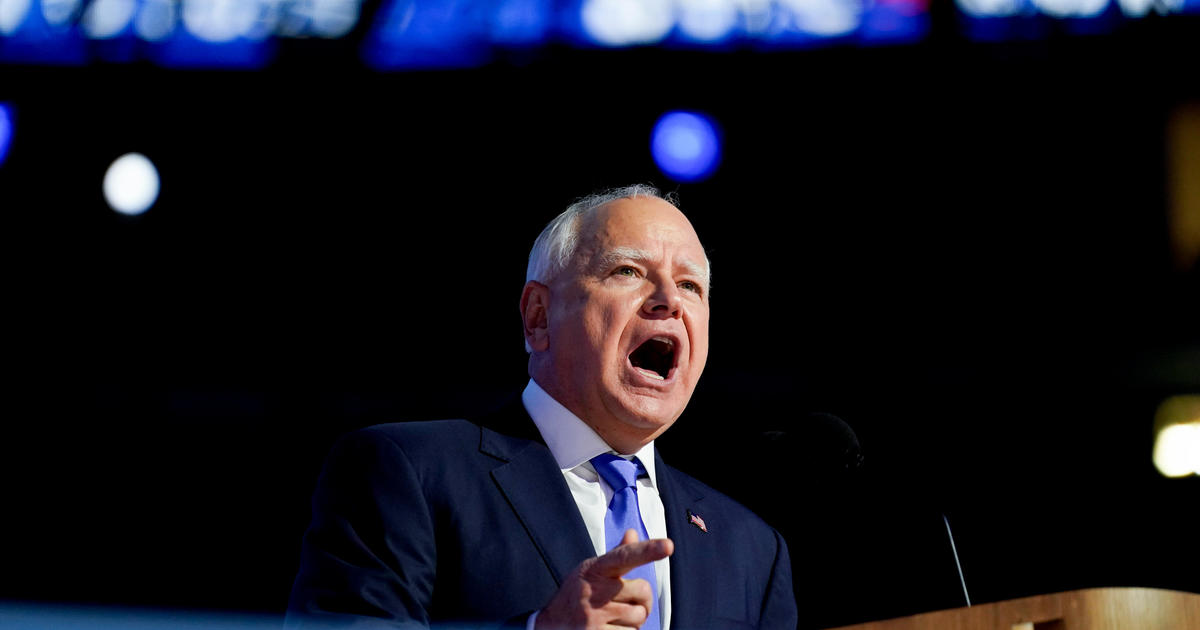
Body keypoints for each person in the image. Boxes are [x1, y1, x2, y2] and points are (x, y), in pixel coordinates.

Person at [285, 185, 797, 629]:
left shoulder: (752, 548)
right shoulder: (407, 471)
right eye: (628, 270)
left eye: (690, 285)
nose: (668, 299)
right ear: (538, 318)